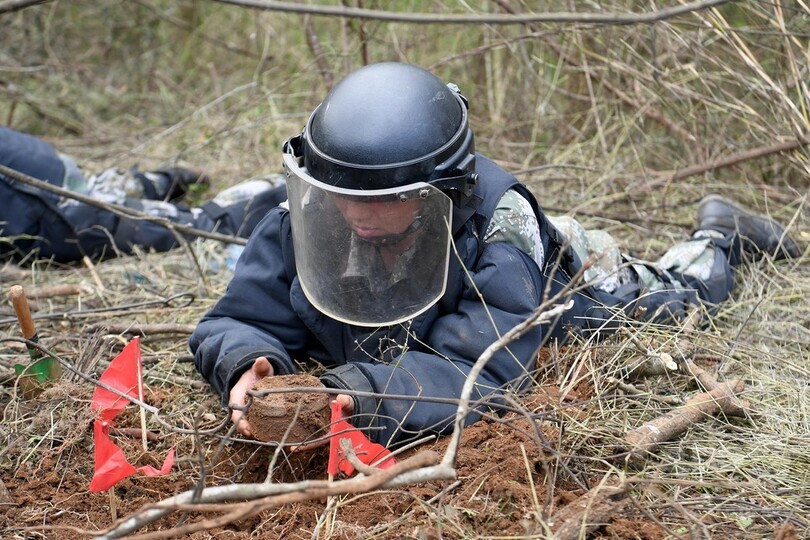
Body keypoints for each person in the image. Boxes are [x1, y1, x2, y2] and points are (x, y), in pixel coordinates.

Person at [189, 62, 801, 448]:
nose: (358, 215)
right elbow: (235, 318)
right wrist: (247, 364)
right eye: (344, 196)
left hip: (566, 288)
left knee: (680, 296)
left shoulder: (500, 231)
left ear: (444, 194)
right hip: (409, 338)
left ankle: (721, 235)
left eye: (387, 199)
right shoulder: (312, 216)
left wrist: (361, 396)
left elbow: (481, 368)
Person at [0, 126, 287, 263]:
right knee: (91, 193)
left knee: (197, 226)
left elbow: (61, 213)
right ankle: (156, 183)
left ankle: (279, 194)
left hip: (40, 203)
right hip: (34, 167)